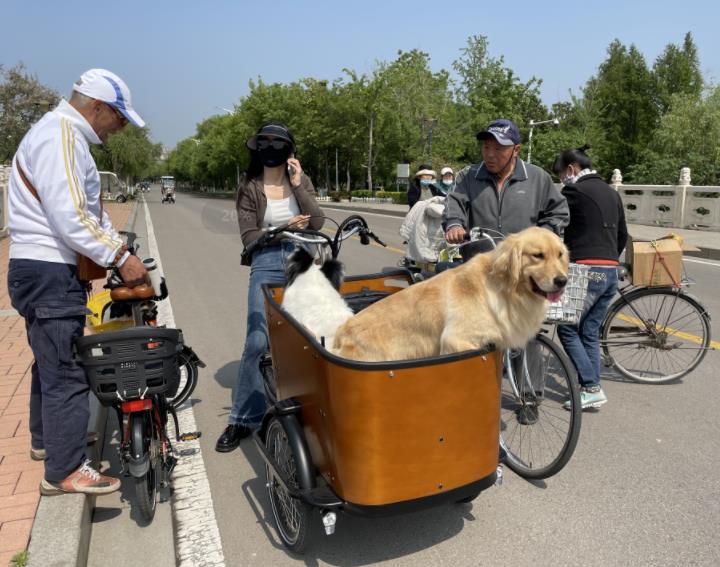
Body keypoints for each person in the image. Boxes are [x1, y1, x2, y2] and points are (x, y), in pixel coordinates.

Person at [7, 68, 149, 495]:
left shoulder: (58, 134)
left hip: (41, 268)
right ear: (97, 107)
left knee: (48, 360)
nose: (120, 128)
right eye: (119, 119)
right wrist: (120, 257)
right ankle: (64, 470)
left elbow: (85, 211)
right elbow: (70, 218)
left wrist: (113, 244)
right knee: (66, 371)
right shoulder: (62, 138)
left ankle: (45, 441)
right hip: (49, 270)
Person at [216, 122, 324, 452]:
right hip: (265, 261)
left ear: (290, 152)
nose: (272, 149)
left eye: (279, 144)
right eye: (265, 143)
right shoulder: (249, 186)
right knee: (258, 340)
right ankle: (243, 418)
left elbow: (318, 223)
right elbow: (249, 238)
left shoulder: (299, 181)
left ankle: (313, 413)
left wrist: (297, 184)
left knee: (311, 336)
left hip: (301, 258)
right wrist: (282, 228)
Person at [553, 145, 628, 410]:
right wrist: (609, 260)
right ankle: (592, 387)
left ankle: (591, 386)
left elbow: (556, 222)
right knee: (588, 332)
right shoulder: (611, 191)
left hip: (585, 269)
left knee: (566, 328)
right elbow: (623, 235)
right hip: (609, 270)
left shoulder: (574, 191)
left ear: (572, 169)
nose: (563, 180)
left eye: (562, 175)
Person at [444, 118, 569, 244]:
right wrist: (454, 224)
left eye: (498, 149)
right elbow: (453, 203)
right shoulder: (467, 176)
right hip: (479, 260)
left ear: (516, 150)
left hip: (523, 260)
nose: (490, 154)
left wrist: (542, 235)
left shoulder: (538, 178)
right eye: (486, 147)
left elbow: (559, 212)